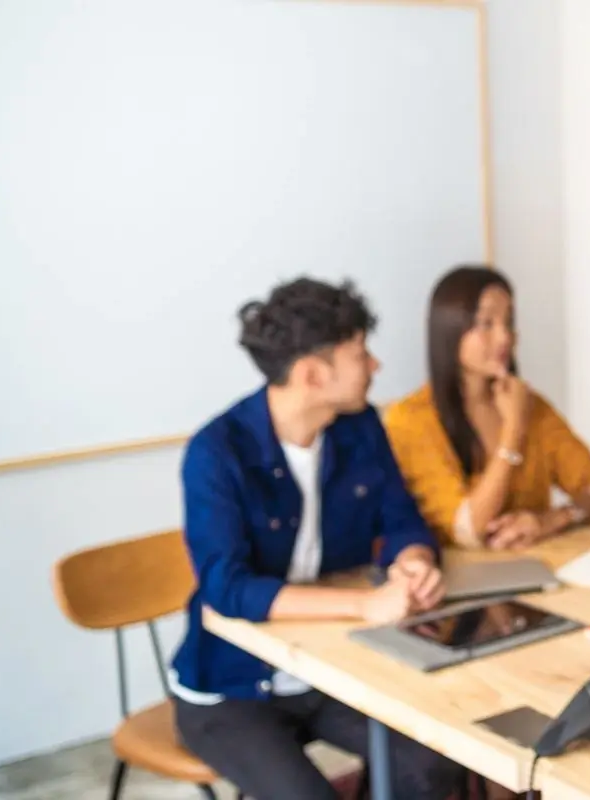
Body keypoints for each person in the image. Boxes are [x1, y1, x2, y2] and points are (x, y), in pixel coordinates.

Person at [169, 278, 462, 799]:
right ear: (312, 374)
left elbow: (403, 522)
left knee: (429, 763)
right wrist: (363, 605)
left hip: (329, 670)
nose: (375, 366)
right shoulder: (216, 452)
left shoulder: (360, 427)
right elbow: (227, 588)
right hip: (231, 689)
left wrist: (411, 562)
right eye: (361, 354)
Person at [384, 265, 590, 549]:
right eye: (486, 324)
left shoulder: (532, 405)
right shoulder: (410, 419)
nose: (504, 337)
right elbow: (470, 530)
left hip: (536, 568)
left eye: (508, 322)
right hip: (457, 580)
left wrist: (556, 518)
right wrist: (514, 430)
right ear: (450, 330)